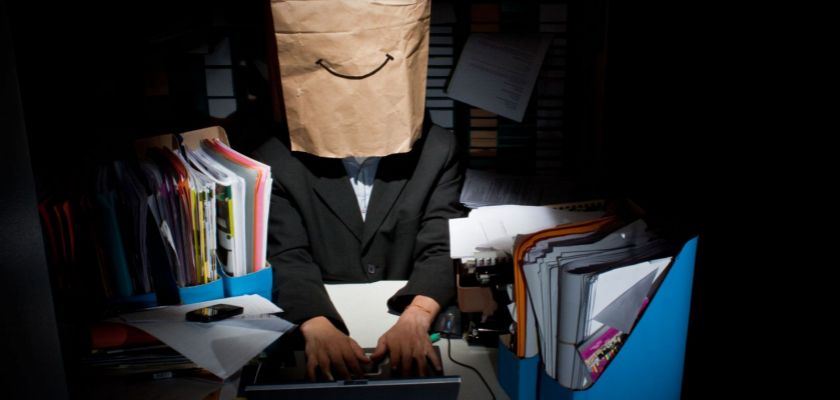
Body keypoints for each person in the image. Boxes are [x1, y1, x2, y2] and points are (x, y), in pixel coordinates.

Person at [253, 117, 463, 381]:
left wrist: (418, 316)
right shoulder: (276, 154)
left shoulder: (437, 147)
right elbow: (285, 252)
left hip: (405, 304)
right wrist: (315, 323)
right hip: (323, 305)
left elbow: (443, 241)